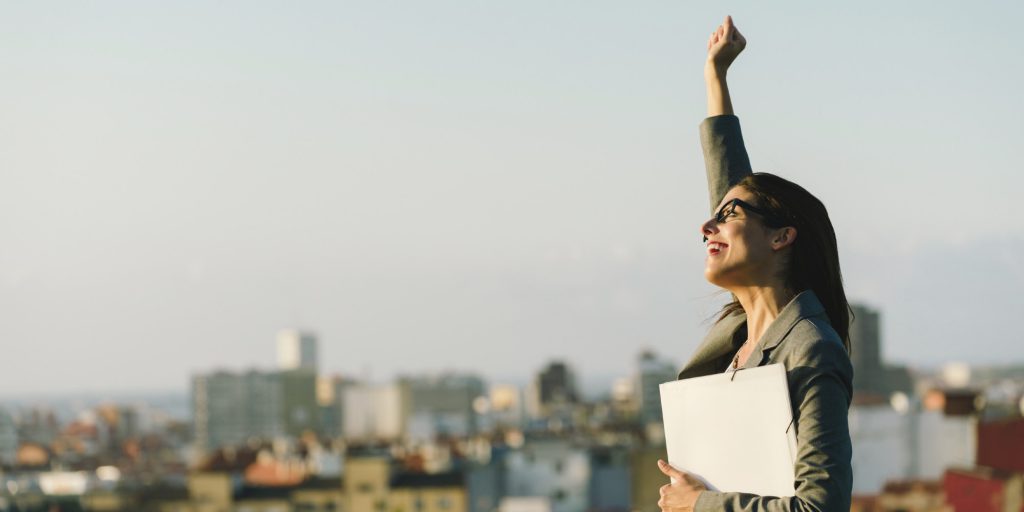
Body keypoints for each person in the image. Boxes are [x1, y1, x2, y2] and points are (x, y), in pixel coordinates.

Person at [654, 15, 854, 512]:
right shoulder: (746, 334)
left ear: (783, 237)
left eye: (726, 217)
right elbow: (732, 183)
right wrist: (715, 79)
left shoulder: (812, 349)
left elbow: (820, 507)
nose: (707, 227)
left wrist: (699, 504)